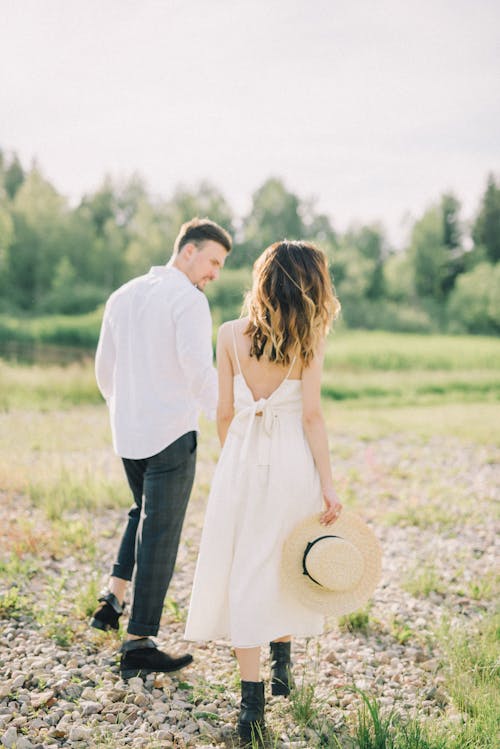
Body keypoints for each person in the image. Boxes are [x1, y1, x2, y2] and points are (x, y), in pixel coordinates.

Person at [184, 239, 343, 742]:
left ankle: (251, 705)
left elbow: (224, 413)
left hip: (242, 463)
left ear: (262, 281)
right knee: (287, 559)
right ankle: (283, 668)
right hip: (294, 463)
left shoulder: (229, 334)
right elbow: (313, 416)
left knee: (247, 568)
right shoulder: (309, 340)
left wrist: (237, 460)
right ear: (307, 284)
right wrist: (328, 486)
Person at [90, 217, 232, 680]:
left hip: (129, 435)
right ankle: (139, 643)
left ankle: (111, 601)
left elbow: (103, 371)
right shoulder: (188, 300)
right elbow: (197, 372)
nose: (214, 272)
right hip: (171, 434)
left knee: (143, 512)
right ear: (187, 251)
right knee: (161, 531)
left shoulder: (122, 295)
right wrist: (229, 416)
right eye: (212, 260)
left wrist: (126, 411)